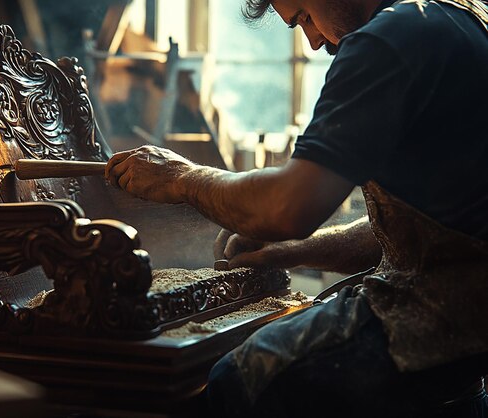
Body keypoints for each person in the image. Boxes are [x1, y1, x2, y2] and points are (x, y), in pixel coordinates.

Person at [105, 0, 488, 415]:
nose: (313, 40)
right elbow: (421, 235)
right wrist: (288, 252)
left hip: (430, 330)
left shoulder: (389, 39)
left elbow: (286, 207)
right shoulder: (464, 18)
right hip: (466, 350)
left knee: (239, 377)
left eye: (304, 15)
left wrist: (179, 177)